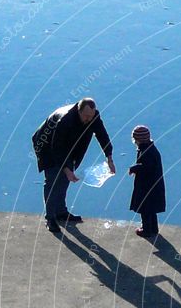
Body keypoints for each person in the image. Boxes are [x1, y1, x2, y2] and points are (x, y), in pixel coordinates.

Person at [32, 97, 116, 232]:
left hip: (68, 145)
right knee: (53, 181)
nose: (89, 119)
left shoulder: (92, 116)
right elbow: (56, 148)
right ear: (79, 111)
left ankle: (61, 212)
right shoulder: (65, 120)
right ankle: (50, 218)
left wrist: (109, 158)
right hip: (47, 146)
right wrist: (67, 170)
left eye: (91, 116)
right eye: (86, 116)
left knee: (65, 180)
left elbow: (102, 135)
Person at [128, 125, 166, 238]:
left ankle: (146, 229)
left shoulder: (145, 152)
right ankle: (154, 228)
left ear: (137, 140)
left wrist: (134, 168)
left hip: (146, 187)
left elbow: (146, 167)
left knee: (145, 209)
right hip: (154, 185)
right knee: (151, 209)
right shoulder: (151, 149)